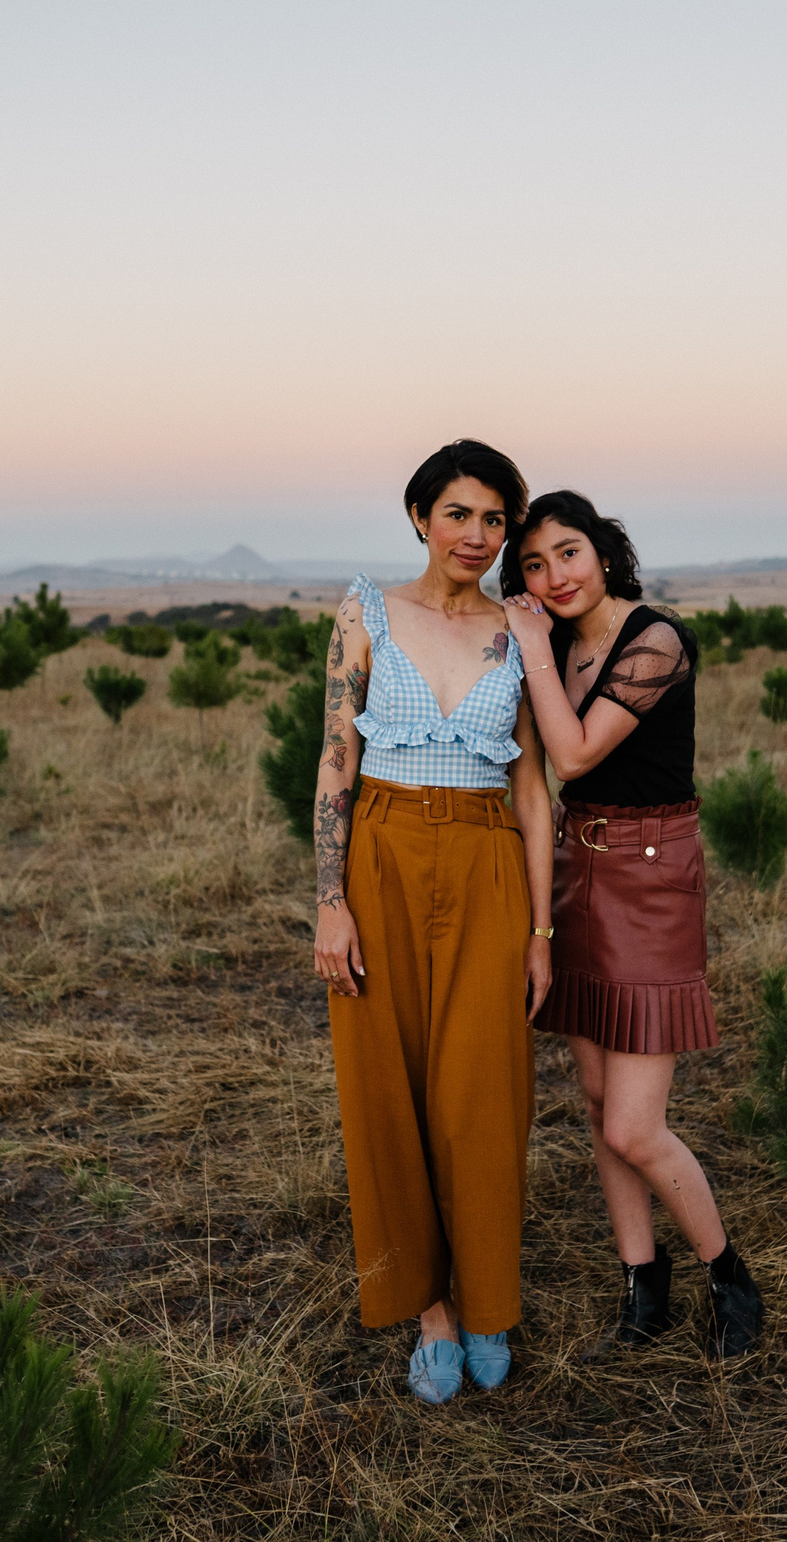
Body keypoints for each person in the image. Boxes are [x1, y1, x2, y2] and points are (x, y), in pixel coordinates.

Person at [312, 440, 556, 1405]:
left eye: (495, 519)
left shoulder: (518, 629)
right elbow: (336, 757)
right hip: (381, 855)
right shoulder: (367, 610)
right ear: (421, 517)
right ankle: (432, 1312)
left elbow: (533, 789)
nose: (477, 535)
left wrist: (541, 932)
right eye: (458, 513)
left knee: (483, 1091)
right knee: (388, 1084)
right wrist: (330, 900)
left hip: (489, 858)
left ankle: (489, 1297)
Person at [500, 491, 764, 1358]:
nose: (555, 575)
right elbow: (540, 778)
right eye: (533, 564)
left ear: (604, 552)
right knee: (595, 1100)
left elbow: (574, 752)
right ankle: (642, 1285)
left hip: (651, 881)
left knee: (633, 1125)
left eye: (568, 552)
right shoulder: (554, 648)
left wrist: (530, 646)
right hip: (577, 872)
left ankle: (729, 1276)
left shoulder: (657, 640)